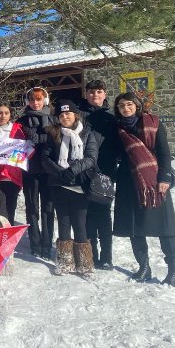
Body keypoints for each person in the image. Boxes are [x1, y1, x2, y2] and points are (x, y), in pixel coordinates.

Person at [112, 92, 175, 287]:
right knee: (135, 229)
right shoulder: (117, 129)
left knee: (165, 228)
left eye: (129, 105)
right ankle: (144, 267)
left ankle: (174, 270)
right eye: (121, 106)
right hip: (128, 181)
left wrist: (164, 177)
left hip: (153, 181)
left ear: (137, 105)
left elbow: (165, 153)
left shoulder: (153, 123)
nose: (126, 109)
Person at [41, 99, 100, 277]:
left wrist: (72, 170)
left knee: (80, 223)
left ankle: (85, 263)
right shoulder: (52, 133)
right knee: (64, 222)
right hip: (59, 184)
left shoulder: (87, 133)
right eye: (61, 114)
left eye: (68, 113)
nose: (65, 116)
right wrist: (60, 172)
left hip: (79, 184)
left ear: (75, 115)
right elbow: (45, 158)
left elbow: (91, 158)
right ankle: (65, 261)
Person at [78, 79, 117, 270]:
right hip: (84, 171)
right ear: (86, 94)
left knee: (103, 214)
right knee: (87, 214)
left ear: (105, 94)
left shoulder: (111, 118)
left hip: (106, 171)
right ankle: (90, 253)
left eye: (99, 92)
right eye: (91, 92)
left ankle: (107, 255)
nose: (95, 95)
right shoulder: (79, 115)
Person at [17, 87, 56, 259]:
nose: (36, 103)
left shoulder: (54, 120)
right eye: (32, 100)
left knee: (48, 208)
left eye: (39, 99)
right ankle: (35, 243)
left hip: (49, 171)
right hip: (30, 171)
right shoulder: (22, 121)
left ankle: (47, 245)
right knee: (32, 208)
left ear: (45, 101)